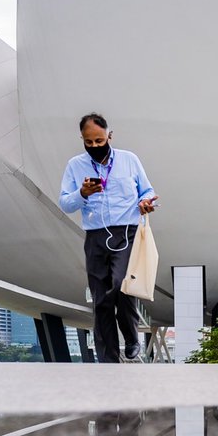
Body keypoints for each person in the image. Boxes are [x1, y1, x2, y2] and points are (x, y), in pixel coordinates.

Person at [59, 114, 158, 363]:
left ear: (109, 136)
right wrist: (82, 193)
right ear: (82, 139)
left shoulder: (129, 160)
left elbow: (146, 190)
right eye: (89, 142)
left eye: (99, 141)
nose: (94, 146)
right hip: (95, 235)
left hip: (127, 231)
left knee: (122, 285)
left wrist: (145, 202)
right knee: (101, 298)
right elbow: (65, 203)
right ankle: (108, 360)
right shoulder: (75, 165)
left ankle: (131, 337)